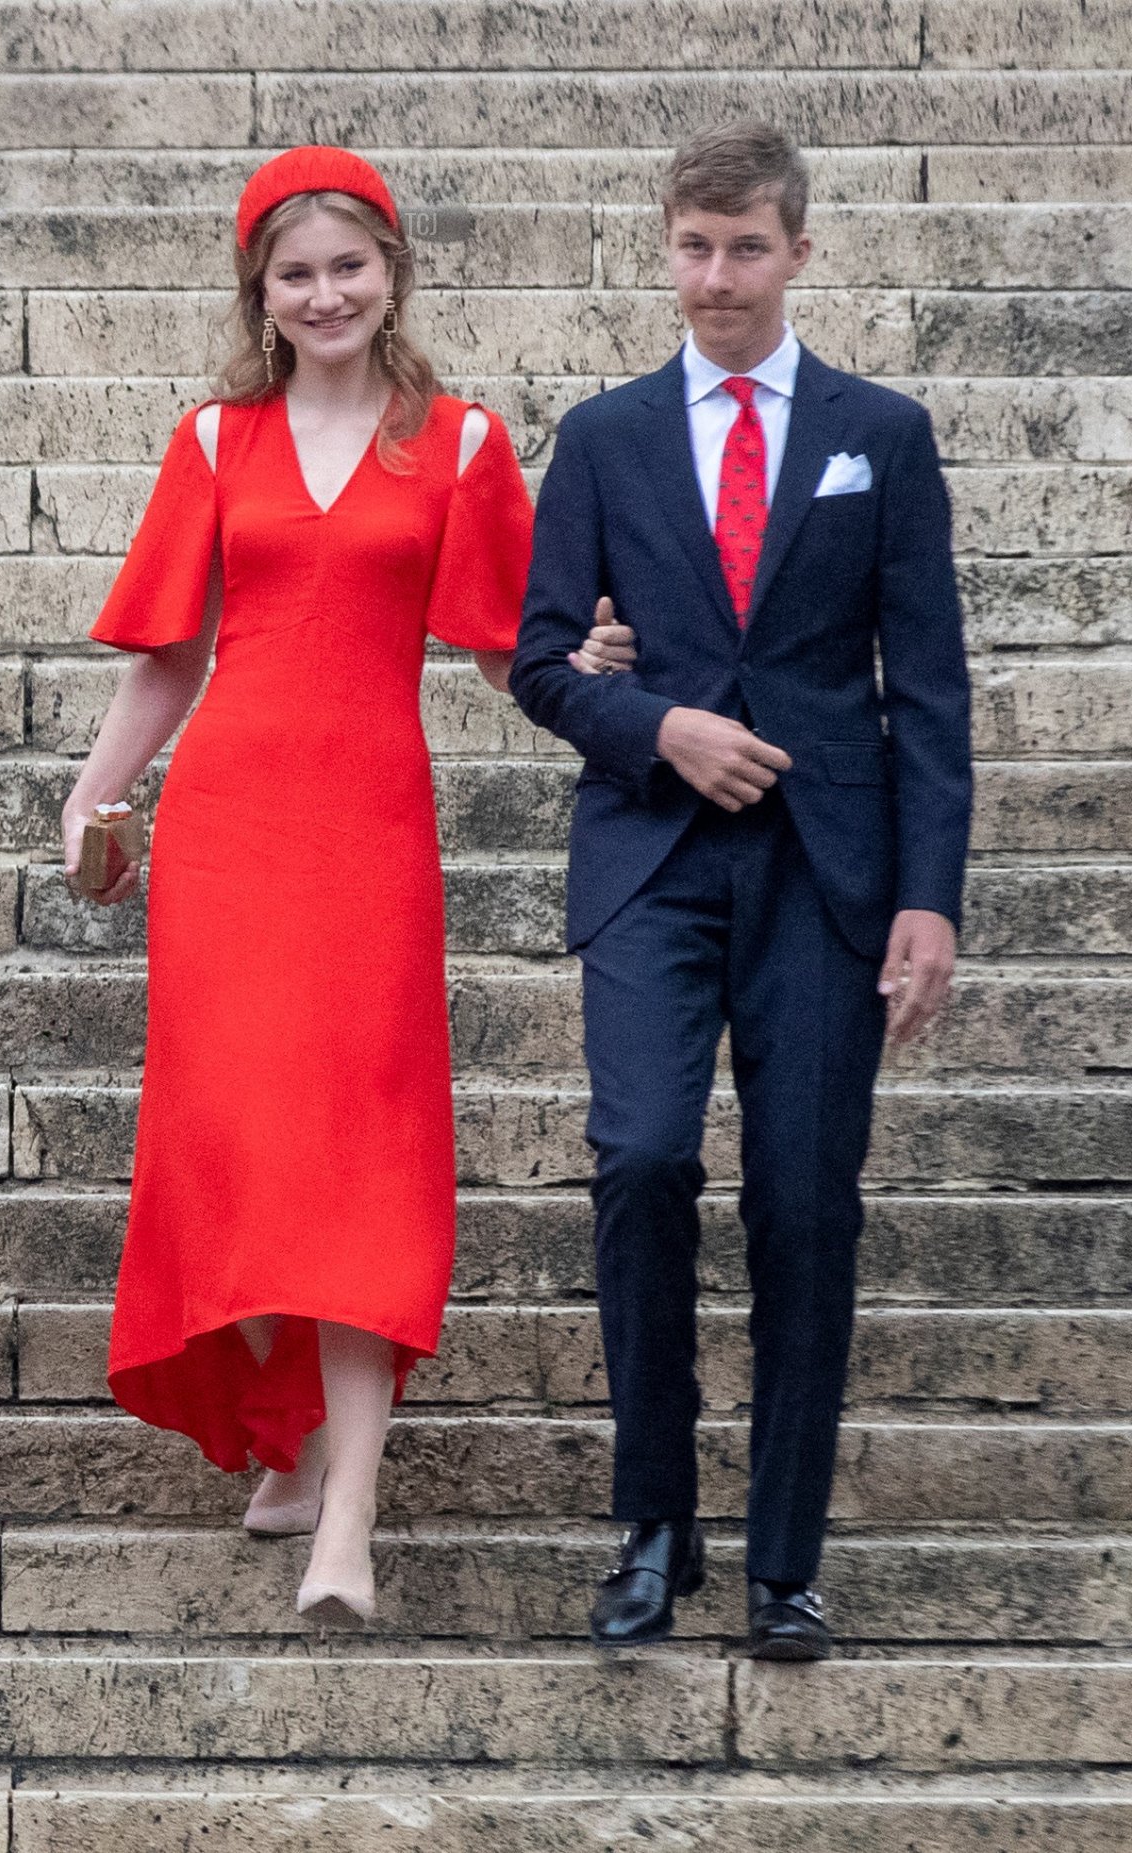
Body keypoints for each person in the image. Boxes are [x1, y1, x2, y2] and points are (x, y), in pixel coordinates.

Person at [63, 145, 628, 1621]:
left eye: (348, 266)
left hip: (368, 837)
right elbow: (172, 652)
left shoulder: (459, 443)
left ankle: (349, 1525)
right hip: (231, 833)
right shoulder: (210, 442)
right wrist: (92, 791)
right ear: (261, 290)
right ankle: (288, 1438)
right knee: (248, 1147)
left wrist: (612, 683)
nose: (324, 293)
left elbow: (512, 645)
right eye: (295, 272)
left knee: (360, 1162)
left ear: (393, 271)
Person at [511, 119, 972, 1659]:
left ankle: (786, 1558)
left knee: (805, 1204)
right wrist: (657, 727)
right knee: (641, 1160)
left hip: (829, 873)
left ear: (799, 250)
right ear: (667, 248)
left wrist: (932, 898)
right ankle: (653, 1525)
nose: (718, 277)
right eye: (694, 247)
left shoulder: (881, 433)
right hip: (651, 858)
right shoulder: (605, 435)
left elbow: (934, 690)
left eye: (747, 247)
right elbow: (537, 658)